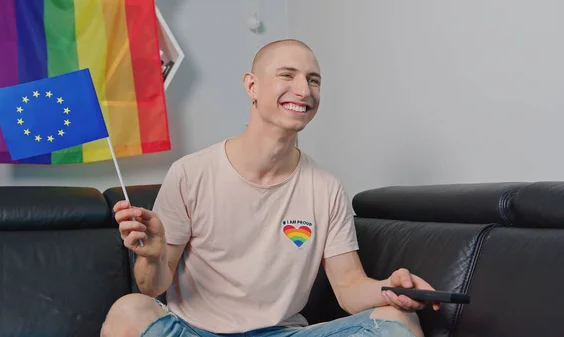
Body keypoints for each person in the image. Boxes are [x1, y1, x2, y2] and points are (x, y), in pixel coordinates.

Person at [100, 39, 440, 337]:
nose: (304, 90)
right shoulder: (191, 173)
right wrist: (153, 256)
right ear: (252, 86)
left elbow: (349, 288)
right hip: (195, 332)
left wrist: (390, 290)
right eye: (287, 75)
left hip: (282, 333)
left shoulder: (326, 188)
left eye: (313, 80)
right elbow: (151, 285)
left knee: (398, 320)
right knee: (129, 309)